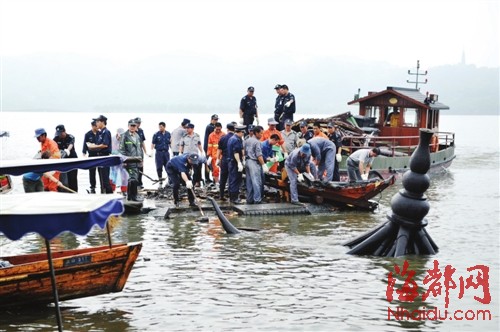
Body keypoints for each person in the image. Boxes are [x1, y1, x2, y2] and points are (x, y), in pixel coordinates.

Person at [119, 119, 143, 201]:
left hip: (136, 161)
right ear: (128, 126)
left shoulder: (137, 136)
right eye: (131, 126)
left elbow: (140, 148)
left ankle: (134, 196)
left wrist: (141, 160)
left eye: (134, 126)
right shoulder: (124, 136)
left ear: (136, 127)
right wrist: (124, 161)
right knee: (131, 179)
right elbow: (122, 150)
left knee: (135, 179)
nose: (132, 127)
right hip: (129, 161)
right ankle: (130, 197)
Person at [88, 115, 113, 193]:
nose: (96, 124)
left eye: (98, 122)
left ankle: (110, 196)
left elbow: (105, 145)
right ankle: (104, 195)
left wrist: (94, 147)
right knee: (102, 179)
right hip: (100, 157)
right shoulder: (100, 133)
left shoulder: (106, 132)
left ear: (102, 122)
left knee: (105, 180)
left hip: (104, 157)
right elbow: (100, 144)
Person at [244, 125, 267, 204]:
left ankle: (250, 200)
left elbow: (243, 151)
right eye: (260, 133)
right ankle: (257, 200)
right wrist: (263, 165)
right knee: (257, 182)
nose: (261, 135)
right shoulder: (257, 142)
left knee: (249, 182)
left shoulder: (247, 140)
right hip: (254, 162)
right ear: (256, 133)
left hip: (247, 161)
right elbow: (259, 155)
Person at [53, 124, 78, 192]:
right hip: (63, 161)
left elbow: (71, 145)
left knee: (72, 178)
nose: (59, 135)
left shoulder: (70, 137)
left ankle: (74, 193)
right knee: (62, 179)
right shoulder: (56, 138)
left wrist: (67, 150)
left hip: (72, 160)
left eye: (61, 133)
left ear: (64, 131)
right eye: (58, 133)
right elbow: (52, 146)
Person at [227, 125, 246, 203]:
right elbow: (236, 152)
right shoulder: (236, 140)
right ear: (240, 132)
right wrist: (239, 162)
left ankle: (232, 197)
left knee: (232, 180)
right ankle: (234, 198)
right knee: (236, 180)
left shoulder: (232, 138)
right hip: (234, 162)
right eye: (242, 132)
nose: (243, 134)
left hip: (231, 162)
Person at [217, 122, 235, 200]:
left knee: (223, 178)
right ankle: (231, 196)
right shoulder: (235, 138)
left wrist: (217, 159)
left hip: (224, 159)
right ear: (234, 129)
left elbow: (219, 150)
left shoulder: (223, 138)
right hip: (232, 160)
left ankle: (221, 195)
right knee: (232, 178)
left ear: (227, 129)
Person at [110, 128, 128, 194]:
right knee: (113, 175)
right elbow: (110, 149)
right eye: (120, 135)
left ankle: (124, 190)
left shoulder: (125, 139)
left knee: (124, 175)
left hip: (122, 159)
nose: (121, 136)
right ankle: (112, 189)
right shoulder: (112, 139)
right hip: (114, 158)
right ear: (117, 133)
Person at [82, 120, 98, 193]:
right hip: (91, 155)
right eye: (95, 126)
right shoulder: (88, 134)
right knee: (92, 172)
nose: (96, 127)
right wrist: (84, 153)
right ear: (92, 126)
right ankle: (92, 186)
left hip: (99, 154)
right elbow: (85, 145)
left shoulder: (100, 133)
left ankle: (102, 185)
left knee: (101, 171)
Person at [134, 117, 149, 188]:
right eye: (137, 123)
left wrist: (145, 152)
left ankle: (140, 182)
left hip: (140, 151)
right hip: (133, 151)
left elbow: (142, 142)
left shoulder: (141, 131)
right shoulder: (130, 131)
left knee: (141, 167)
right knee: (133, 167)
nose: (139, 124)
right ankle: (134, 182)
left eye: (139, 123)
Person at [203, 114, 219, 183]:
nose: (216, 121)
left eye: (217, 120)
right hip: (208, 148)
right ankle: (209, 178)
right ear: (211, 119)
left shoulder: (212, 127)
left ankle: (211, 178)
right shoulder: (210, 127)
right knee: (209, 163)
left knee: (210, 163)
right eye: (215, 119)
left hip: (211, 148)